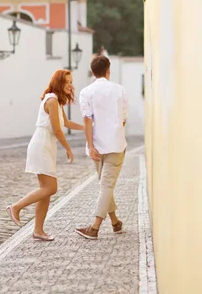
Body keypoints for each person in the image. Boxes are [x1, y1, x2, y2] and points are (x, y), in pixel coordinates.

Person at [7, 70, 84, 241]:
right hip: (41, 145)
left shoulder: (57, 102)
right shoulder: (52, 100)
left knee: (46, 190)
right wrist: (68, 149)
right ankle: (16, 207)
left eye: (71, 82)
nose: (71, 86)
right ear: (58, 83)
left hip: (46, 145)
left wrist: (87, 128)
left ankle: (38, 230)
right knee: (50, 188)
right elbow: (57, 129)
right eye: (67, 82)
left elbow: (67, 123)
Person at [75, 55, 129, 240]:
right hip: (115, 146)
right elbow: (123, 119)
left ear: (92, 72)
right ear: (108, 69)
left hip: (97, 147)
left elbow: (87, 120)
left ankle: (94, 227)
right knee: (106, 186)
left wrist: (90, 146)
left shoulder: (86, 92)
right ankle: (115, 222)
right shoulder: (119, 90)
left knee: (105, 185)